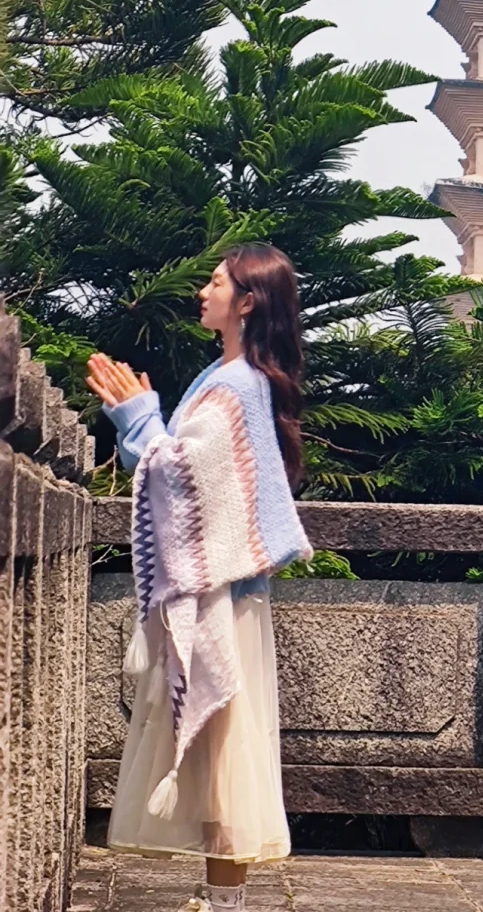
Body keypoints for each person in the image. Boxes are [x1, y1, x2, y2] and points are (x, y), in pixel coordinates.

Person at [86, 244, 313, 912]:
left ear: (248, 301)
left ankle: (228, 904)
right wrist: (142, 419)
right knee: (216, 755)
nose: (203, 291)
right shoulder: (225, 375)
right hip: (220, 590)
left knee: (223, 759)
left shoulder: (238, 383)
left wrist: (138, 417)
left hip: (224, 595)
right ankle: (218, 899)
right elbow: (174, 471)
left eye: (217, 282)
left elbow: (184, 476)